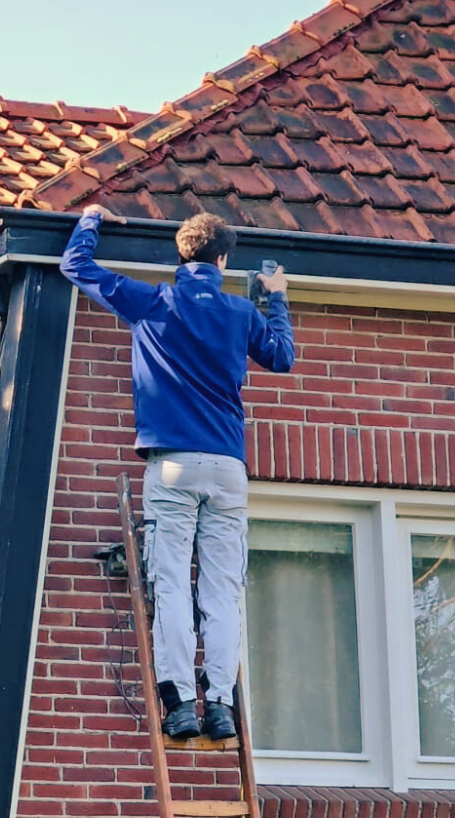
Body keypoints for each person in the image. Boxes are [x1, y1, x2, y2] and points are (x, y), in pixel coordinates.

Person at [60, 205, 294, 741]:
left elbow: (76, 266)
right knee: (221, 591)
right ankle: (220, 705)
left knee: (170, 585)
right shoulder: (241, 312)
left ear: (181, 253)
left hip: (172, 466)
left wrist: (92, 219)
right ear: (223, 258)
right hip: (228, 466)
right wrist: (276, 297)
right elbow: (282, 357)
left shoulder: (154, 301)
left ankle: (181, 704)